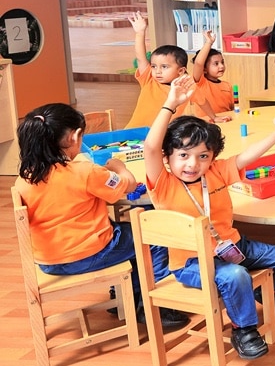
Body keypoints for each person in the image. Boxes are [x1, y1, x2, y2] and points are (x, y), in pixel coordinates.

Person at [144, 76, 275, 360]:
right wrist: (171, 103)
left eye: (203, 156)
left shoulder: (216, 172)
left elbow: (248, 157)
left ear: (213, 157)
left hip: (233, 246)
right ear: (168, 157)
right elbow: (151, 148)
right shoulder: (163, 184)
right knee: (236, 276)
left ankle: (274, 296)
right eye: (183, 155)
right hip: (191, 261)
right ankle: (244, 329)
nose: (193, 164)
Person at [14, 103, 189, 332]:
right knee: (153, 237)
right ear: (75, 136)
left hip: (48, 261)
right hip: (88, 253)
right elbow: (128, 185)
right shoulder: (85, 172)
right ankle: (154, 306)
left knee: (126, 233)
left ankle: (124, 296)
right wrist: (119, 167)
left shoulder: (25, 178)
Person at [125, 11, 189, 128]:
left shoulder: (185, 89)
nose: (157, 71)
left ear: (180, 71)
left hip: (164, 135)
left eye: (164, 67)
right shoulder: (149, 79)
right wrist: (140, 33)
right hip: (134, 134)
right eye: (154, 66)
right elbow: (140, 58)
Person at [191, 30, 234, 123]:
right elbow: (198, 63)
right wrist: (209, 42)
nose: (221, 66)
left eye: (222, 62)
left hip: (225, 122)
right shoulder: (201, 83)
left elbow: (232, 110)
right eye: (216, 64)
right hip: (206, 124)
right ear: (204, 69)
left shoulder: (227, 85)